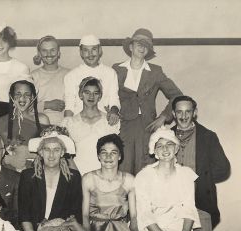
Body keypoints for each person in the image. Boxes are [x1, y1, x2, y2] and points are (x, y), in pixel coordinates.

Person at [171, 95, 230, 231]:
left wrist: (200, 180)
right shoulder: (165, 136)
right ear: (173, 114)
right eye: (179, 112)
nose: (183, 116)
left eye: (188, 111)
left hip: (201, 203)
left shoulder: (208, 137)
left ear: (194, 113)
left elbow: (223, 168)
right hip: (172, 202)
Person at [113, 28, 182, 175]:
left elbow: (177, 96)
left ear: (148, 50)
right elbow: (107, 95)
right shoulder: (116, 69)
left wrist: (164, 117)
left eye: (146, 45)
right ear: (130, 47)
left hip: (147, 126)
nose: (142, 47)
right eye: (139, 43)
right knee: (122, 168)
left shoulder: (155, 71)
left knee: (145, 169)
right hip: (122, 125)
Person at [61, 77, 119, 175]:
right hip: (76, 172)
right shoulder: (69, 122)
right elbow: (66, 155)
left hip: (104, 173)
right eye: (87, 92)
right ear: (80, 95)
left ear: (100, 96)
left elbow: (114, 152)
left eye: (95, 93)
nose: (91, 96)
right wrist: (77, 176)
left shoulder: (109, 121)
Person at [0, 79, 50, 172]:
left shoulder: (42, 120)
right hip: (6, 174)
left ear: (33, 97)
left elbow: (49, 150)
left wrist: (29, 153)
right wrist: (6, 160)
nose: (22, 98)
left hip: (34, 172)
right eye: (18, 94)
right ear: (11, 96)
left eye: (27, 94)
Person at [64, 34, 120, 124]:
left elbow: (114, 99)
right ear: (81, 53)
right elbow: (69, 106)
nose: (90, 54)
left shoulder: (110, 73)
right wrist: (67, 125)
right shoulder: (71, 76)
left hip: (104, 122)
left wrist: (114, 112)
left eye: (94, 49)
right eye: (86, 50)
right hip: (79, 123)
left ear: (100, 50)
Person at [31, 35, 70, 125]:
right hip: (39, 124)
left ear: (59, 53)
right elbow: (25, 107)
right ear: (39, 54)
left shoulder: (69, 74)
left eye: (52, 50)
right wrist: (47, 105)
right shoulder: (33, 76)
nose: (49, 54)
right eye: (44, 50)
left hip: (65, 124)